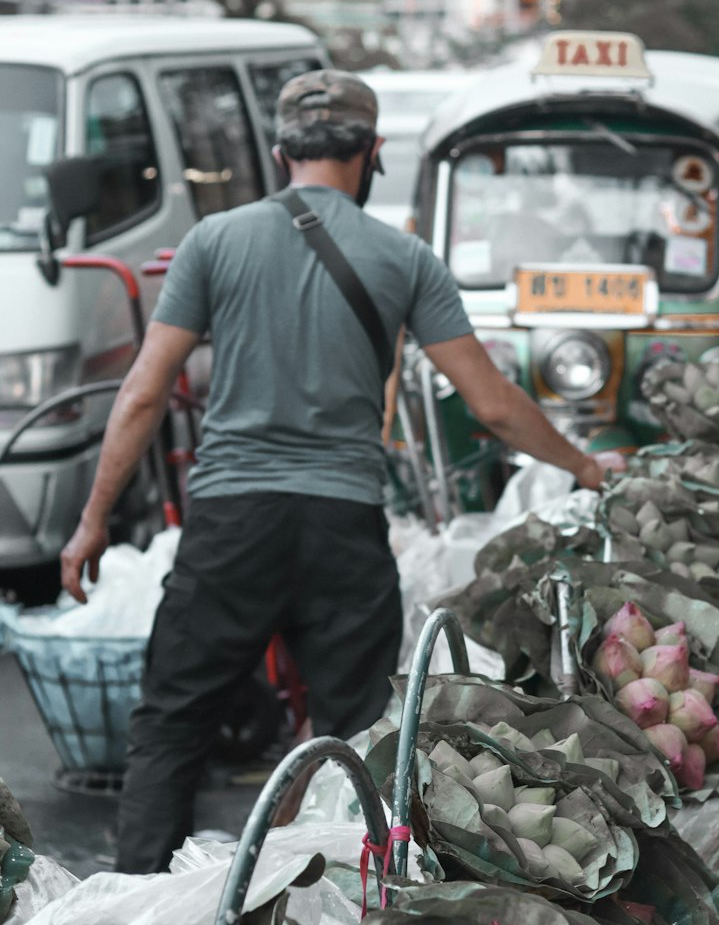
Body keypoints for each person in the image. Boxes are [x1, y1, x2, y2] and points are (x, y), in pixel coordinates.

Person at [60, 69, 609, 875]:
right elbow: (490, 403)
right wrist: (585, 465)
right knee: (356, 737)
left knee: (173, 723)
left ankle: (140, 923)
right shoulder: (405, 259)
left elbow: (143, 395)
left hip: (231, 523)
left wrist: (93, 519)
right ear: (374, 152)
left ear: (281, 151)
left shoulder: (215, 242)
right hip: (341, 526)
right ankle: (350, 918)